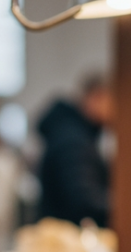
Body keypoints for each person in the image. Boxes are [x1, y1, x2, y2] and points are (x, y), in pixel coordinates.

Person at [37, 76, 113, 227]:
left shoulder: (75, 134)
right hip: (66, 241)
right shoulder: (73, 141)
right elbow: (85, 201)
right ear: (97, 98)